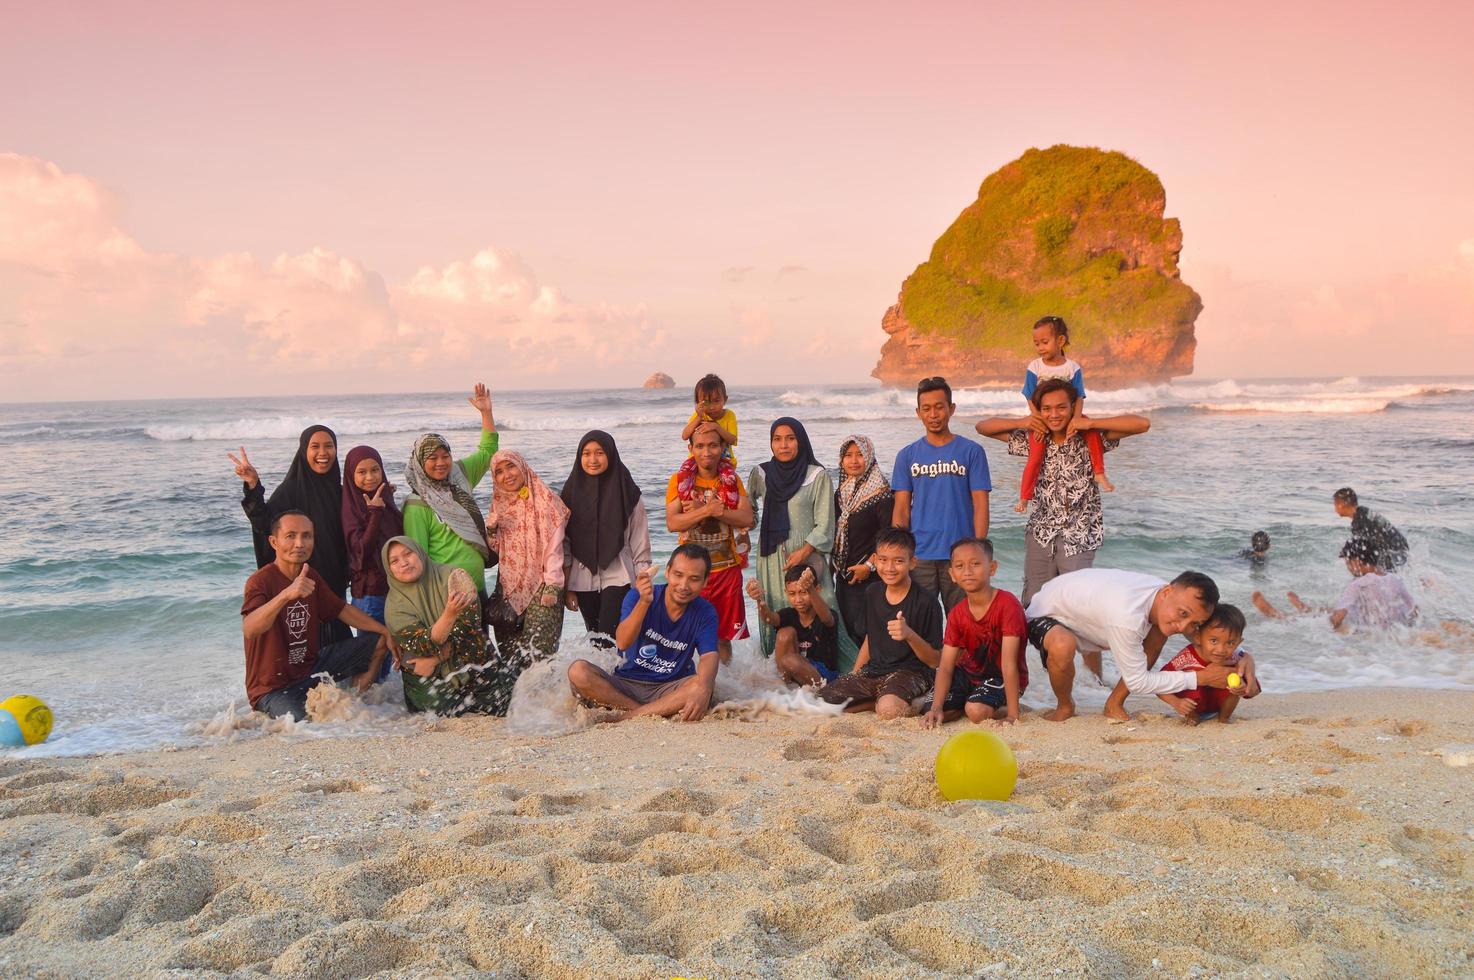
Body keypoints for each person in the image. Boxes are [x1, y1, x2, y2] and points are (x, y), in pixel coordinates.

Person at [975, 378, 1151, 605]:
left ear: (1073, 408)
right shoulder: (1033, 440)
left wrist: (1090, 423)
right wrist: (1024, 421)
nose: (1054, 414)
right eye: (1046, 409)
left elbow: (1142, 424)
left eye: (1061, 407)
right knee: (1034, 605)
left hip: (1079, 537)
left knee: (1074, 606)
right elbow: (982, 427)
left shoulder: (1092, 439)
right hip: (1041, 535)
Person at [241, 511, 397, 721]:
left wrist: (384, 631)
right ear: (273, 541)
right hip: (272, 688)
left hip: (310, 670)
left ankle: (355, 706)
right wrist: (286, 595)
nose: (299, 543)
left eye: (307, 536)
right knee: (304, 725)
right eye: (290, 536)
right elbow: (250, 628)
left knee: (378, 642)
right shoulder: (259, 582)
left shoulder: (310, 575)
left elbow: (341, 610)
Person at [1025, 568, 1229, 722]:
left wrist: (1242, 656)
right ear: (1167, 591)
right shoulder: (1128, 615)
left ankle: (1114, 703)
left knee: (1162, 627)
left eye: (1195, 623)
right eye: (1183, 614)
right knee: (1062, 645)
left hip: (1090, 618)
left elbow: (1210, 635)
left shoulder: (1167, 599)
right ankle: (1065, 705)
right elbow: (1138, 682)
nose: (1183, 626)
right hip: (1047, 613)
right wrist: (1200, 678)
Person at [566, 545, 721, 721]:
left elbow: (709, 655)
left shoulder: (705, 612)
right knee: (578, 671)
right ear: (668, 571)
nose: (684, 585)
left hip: (669, 688)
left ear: (705, 581)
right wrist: (644, 602)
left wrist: (704, 688)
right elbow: (623, 642)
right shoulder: (638, 595)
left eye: (694, 579)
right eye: (678, 575)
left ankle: (631, 715)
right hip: (626, 685)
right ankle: (645, 712)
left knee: (702, 684)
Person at [230, 425, 351, 642]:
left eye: (329, 446)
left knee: (340, 658)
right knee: (307, 656)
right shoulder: (291, 489)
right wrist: (253, 485)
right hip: (303, 589)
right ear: (304, 451)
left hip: (335, 589)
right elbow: (264, 523)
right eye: (315, 446)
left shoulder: (338, 490)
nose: (323, 453)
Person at [817, 528, 943, 719]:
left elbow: (935, 660)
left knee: (888, 710)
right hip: (875, 671)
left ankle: (909, 702)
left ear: (912, 563)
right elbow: (870, 638)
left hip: (913, 673)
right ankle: (875, 701)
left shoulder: (927, 602)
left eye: (899, 561)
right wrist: (854, 674)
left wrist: (909, 634)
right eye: (883, 560)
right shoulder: (872, 592)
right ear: (874, 560)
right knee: (821, 700)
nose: (890, 568)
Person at [382, 536, 516, 715]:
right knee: (445, 712)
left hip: (467, 657)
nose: (404, 563)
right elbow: (423, 646)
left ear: (420, 553)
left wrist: (436, 658)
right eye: (394, 561)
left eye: (408, 553)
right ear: (389, 569)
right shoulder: (394, 608)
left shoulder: (454, 577)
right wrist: (449, 614)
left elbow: (468, 627)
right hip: (424, 670)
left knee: (509, 703)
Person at [892, 377, 991, 612]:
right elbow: (902, 508)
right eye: (926, 408)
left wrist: (978, 551)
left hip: (960, 554)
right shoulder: (907, 455)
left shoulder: (972, 452)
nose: (933, 414)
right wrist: (899, 553)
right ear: (918, 412)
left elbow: (980, 505)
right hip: (920, 554)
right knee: (921, 622)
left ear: (951, 409)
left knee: (966, 620)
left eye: (939, 407)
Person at [665, 423, 755, 661]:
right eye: (700, 446)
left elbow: (747, 517)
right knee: (685, 633)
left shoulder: (731, 479)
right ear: (691, 448)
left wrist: (713, 511)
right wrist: (707, 511)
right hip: (691, 574)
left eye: (713, 445)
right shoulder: (679, 480)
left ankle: (724, 688)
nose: (707, 452)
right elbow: (673, 523)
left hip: (727, 570)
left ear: (723, 447)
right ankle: (687, 683)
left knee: (722, 638)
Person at [748, 417, 837, 657]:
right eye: (777, 439)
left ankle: (831, 672)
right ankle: (778, 674)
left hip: (807, 558)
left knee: (823, 610)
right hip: (771, 558)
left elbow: (826, 524)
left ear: (801, 441)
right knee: (777, 610)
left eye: (790, 438)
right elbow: (749, 513)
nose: (783, 445)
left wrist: (803, 552)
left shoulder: (817, 475)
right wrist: (739, 531)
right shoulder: (760, 473)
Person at [402, 385, 500, 596]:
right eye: (432, 458)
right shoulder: (417, 504)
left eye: (445, 456)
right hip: (449, 595)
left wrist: (486, 413)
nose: (441, 463)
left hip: (479, 587)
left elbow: (488, 451)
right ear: (420, 462)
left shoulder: (459, 475)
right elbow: (420, 558)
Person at [920, 538, 1028, 728]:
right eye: (960, 566)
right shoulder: (957, 613)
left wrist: (1013, 715)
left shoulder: (1007, 604)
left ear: (992, 568)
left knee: (975, 712)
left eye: (976, 564)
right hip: (968, 675)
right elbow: (945, 666)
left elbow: (1009, 663)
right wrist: (936, 707)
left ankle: (1004, 706)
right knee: (931, 708)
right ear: (952, 574)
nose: (967, 572)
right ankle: (970, 700)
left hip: (1001, 676)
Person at [561, 431, 652, 648]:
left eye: (599, 453)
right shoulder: (569, 494)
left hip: (619, 574)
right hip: (583, 578)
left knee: (610, 638)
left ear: (610, 454)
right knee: (594, 639)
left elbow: (640, 542)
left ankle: (614, 679)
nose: (592, 460)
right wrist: (567, 586)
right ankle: (599, 678)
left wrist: (643, 581)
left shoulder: (629, 494)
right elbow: (564, 543)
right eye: (587, 453)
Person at [1017, 315, 1111, 508]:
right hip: (1043, 419)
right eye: (1036, 344)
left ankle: (1099, 472)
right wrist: (1036, 418)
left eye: (1044, 342)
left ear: (1060, 341)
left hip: (1069, 417)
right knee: (1034, 458)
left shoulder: (1072, 367)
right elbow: (1028, 394)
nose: (1040, 347)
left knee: (1092, 433)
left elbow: (1079, 396)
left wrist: (1077, 420)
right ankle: (1024, 497)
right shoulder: (1034, 367)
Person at [486, 449, 570, 661]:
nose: (508, 475)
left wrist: (552, 586)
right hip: (507, 586)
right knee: (511, 658)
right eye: (499, 471)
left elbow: (555, 548)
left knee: (539, 657)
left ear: (522, 466)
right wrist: (491, 531)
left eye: (511, 466)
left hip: (543, 585)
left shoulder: (546, 500)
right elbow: (498, 551)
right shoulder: (499, 503)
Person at [1252, 540, 1418, 629]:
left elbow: (1337, 619)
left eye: (1348, 562)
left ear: (1358, 561)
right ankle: (1307, 609)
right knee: (1338, 609)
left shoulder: (1358, 584)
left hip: (1365, 633)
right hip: (1388, 632)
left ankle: (1281, 616)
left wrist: (1323, 629)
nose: (1348, 567)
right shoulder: (1394, 579)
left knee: (1324, 617)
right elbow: (1414, 612)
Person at [831, 435, 893, 671]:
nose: (854, 461)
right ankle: (853, 675)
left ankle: (870, 675)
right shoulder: (842, 493)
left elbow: (887, 538)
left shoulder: (882, 494)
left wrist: (869, 567)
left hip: (870, 577)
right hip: (845, 577)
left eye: (860, 455)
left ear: (869, 457)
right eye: (848, 455)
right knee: (847, 627)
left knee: (868, 628)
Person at [679, 373, 751, 559]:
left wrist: (716, 428)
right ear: (697, 403)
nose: (712, 407)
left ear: (725, 399)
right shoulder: (697, 416)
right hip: (697, 464)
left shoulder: (729, 416)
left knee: (730, 491)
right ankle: (687, 528)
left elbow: (733, 440)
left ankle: (740, 533)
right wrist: (698, 418)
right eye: (706, 402)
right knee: (683, 482)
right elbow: (685, 434)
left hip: (724, 463)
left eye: (717, 401)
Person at [1157, 603, 1261, 725]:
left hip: (1218, 705)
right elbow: (1159, 684)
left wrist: (1242, 689)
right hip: (1191, 705)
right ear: (1197, 637)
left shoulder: (1236, 658)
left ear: (1239, 642)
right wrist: (1176, 703)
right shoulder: (1187, 657)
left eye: (1230, 643)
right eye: (1214, 641)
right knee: (1189, 684)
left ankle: (1223, 719)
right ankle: (1192, 717)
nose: (1221, 650)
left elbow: (1253, 690)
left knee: (1236, 680)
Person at [340, 445, 403, 625]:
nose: (370, 477)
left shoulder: (383, 496)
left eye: (375, 470)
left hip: (394, 588)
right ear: (351, 474)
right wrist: (375, 513)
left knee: (398, 651)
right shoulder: (350, 507)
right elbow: (361, 550)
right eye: (361, 472)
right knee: (376, 651)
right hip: (371, 594)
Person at [747, 566, 839, 687]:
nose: (798, 599)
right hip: (796, 670)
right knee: (785, 634)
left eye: (803, 592)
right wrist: (759, 600)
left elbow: (827, 619)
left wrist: (810, 589)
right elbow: (769, 619)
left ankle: (822, 692)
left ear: (818, 589)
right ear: (786, 593)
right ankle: (785, 689)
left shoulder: (826, 614)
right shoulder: (789, 614)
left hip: (824, 676)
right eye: (792, 594)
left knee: (790, 660)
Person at [1334, 487, 1409, 570]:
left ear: (1342, 504)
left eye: (1335, 504)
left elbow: (1363, 548)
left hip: (1394, 551)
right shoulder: (1363, 512)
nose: (1335, 508)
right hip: (1400, 548)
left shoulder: (1360, 521)